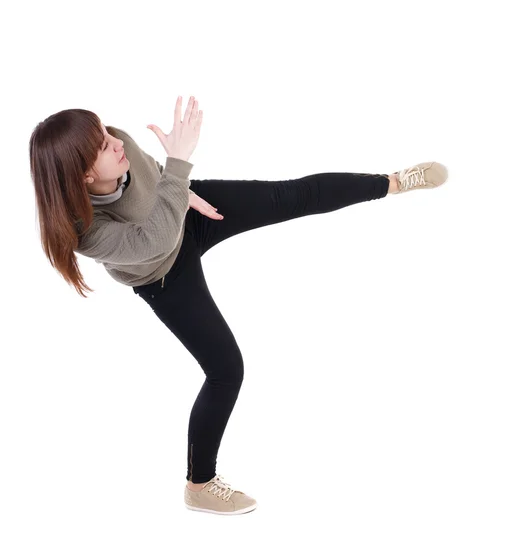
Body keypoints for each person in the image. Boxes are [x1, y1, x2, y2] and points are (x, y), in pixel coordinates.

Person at [29, 95, 449, 516]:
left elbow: (154, 174)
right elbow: (151, 242)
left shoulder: (117, 141)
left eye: (104, 131)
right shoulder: (86, 232)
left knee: (291, 196)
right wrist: (178, 165)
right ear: (84, 176)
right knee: (226, 370)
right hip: (162, 274)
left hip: (187, 209)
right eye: (103, 146)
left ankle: (393, 181)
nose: (115, 140)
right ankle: (200, 484)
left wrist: (180, 187)